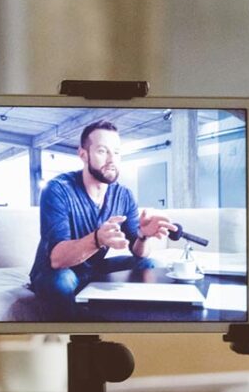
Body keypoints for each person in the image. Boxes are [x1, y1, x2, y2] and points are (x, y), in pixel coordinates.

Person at [29, 120, 175, 311]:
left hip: (94, 269)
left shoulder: (123, 195)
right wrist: (97, 239)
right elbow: (57, 259)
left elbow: (139, 252)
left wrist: (142, 235)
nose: (111, 159)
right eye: (102, 151)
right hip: (55, 272)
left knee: (151, 264)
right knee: (61, 282)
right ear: (83, 155)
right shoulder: (57, 189)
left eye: (116, 152)